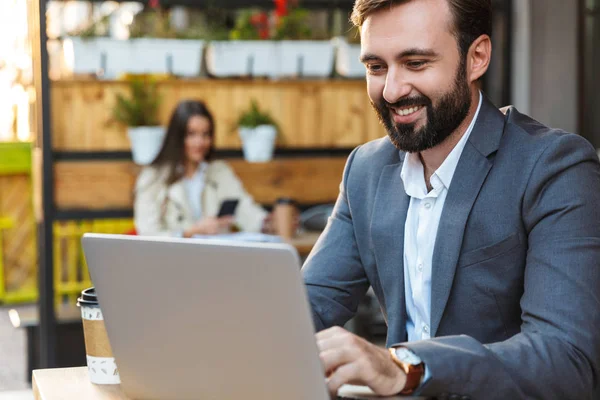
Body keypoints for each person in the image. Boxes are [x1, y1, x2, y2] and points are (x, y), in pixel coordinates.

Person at [302, 0, 600, 399]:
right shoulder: (366, 171)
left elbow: (566, 360)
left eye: (416, 63)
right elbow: (304, 312)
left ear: (476, 57)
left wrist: (406, 367)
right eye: (376, 67)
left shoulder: (554, 167)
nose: (391, 90)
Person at [134, 100, 270, 237]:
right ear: (177, 137)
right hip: (174, 256)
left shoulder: (219, 171)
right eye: (191, 134)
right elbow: (147, 233)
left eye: (205, 134)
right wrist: (190, 232)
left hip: (217, 255)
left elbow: (245, 209)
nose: (199, 142)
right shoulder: (153, 177)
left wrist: (267, 223)